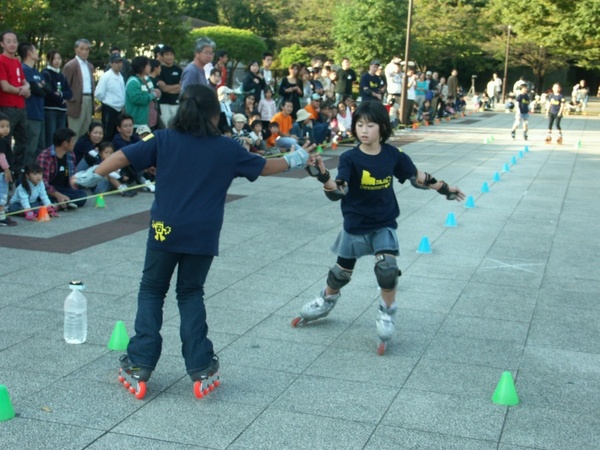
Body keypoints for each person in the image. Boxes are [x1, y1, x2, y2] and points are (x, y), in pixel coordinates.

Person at [83, 84, 312, 398]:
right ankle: (201, 366)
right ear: (214, 114)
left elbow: (124, 155)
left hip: (164, 229)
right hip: (203, 234)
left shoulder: (163, 139)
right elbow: (265, 166)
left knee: (152, 290)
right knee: (190, 293)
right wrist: (297, 158)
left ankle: (140, 363)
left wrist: (94, 173)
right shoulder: (227, 148)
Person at [293, 101, 464, 355]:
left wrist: (445, 189)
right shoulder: (349, 158)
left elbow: (419, 177)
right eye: (360, 125)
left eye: (370, 125)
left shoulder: (393, 155)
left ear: (382, 127)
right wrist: (323, 176)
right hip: (355, 224)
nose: (364, 130)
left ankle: (387, 311)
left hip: (383, 223)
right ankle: (326, 299)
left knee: (387, 269)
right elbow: (339, 190)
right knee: (340, 274)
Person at [0, 31, 31, 175]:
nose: (12, 44)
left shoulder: (17, 62)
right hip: (7, 107)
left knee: (22, 142)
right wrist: (22, 90)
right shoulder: (1, 61)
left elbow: (25, 82)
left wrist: (26, 87)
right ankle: (4, 173)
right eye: (8, 41)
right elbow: (5, 86)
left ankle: (16, 174)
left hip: (21, 107)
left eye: (14, 41)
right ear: (2, 44)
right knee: (5, 142)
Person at [36, 127, 87, 209]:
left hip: (63, 188)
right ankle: (59, 203)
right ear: (65, 144)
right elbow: (41, 182)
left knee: (82, 195)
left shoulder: (70, 154)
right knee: (39, 196)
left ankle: (58, 204)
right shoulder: (46, 156)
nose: (74, 143)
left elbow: (72, 176)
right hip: (47, 190)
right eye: (73, 141)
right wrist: (57, 195)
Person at [112, 113, 155, 192]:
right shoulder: (117, 141)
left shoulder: (134, 137)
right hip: (123, 170)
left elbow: (144, 150)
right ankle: (145, 182)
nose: (129, 128)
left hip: (136, 167)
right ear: (119, 128)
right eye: (125, 126)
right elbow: (129, 156)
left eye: (130, 125)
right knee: (132, 159)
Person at [19, 43, 47, 164]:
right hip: (31, 114)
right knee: (30, 147)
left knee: (41, 148)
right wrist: (39, 86)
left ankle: (37, 172)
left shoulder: (36, 71)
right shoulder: (24, 69)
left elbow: (45, 88)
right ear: (29, 53)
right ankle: (26, 171)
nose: (37, 53)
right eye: (35, 50)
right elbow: (37, 90)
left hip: (40, 114)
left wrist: (40, 87)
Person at [62, 38, 95, 138]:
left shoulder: (90, 66)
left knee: (86, 130)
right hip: (76, 101)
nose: (85, 52)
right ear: (76, 50)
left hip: (89, 99)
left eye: (87, 49)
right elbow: (65, 85)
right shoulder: (70, 65)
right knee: (74, 131)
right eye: (82, 49)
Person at [42, 50, 72, 149]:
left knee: (61, 138)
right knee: (50, 137)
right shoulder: (46, 73)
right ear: (49, 60)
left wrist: (60, 94)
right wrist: (61, 99)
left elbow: (69, 93)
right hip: (50, 109)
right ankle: (49, 156)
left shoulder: (62, 75)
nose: (57, 61)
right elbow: (48, 92)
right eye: (54, 58)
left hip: (62, 110)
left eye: (59, 58)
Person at [95, 53, 126, 141]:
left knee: (116, 134)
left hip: (119, 110)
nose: (119, 65)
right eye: (116, 62)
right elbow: (99, 93)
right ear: (111, 63)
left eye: (120, 62)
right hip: (109, 108)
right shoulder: (106, 76)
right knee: (107, 134)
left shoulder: (120, 76)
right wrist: (106, 102)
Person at [125, 56, 161, 130]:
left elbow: (152, 92)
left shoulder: (147, 79)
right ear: (141, 67)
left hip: (151, 121)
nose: (150, 67)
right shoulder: (133, 82)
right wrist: (153, 95)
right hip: (138, 123)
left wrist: (157, 93)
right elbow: (138, 99)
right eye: (148, 65)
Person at [157, 45, 181, 128]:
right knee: (166, 127)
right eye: (167, 55)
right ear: (162, 57)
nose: (169, 57)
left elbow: (181, 87)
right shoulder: (159, 70)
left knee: (177, 126)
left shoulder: (178, 70)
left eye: (171, 55)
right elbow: (163, 88)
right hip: (164, 104)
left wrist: (168, 88)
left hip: (176, 103)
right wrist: (176, 86)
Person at [0, 111, 17, 225]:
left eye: (7, 126)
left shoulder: (4, 139)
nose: (6, 129)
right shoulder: (1, 141)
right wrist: (6, 169)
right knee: (1, 195)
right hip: (1, 172)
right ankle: (1, 218)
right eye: (2, 126)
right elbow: (1, 156)